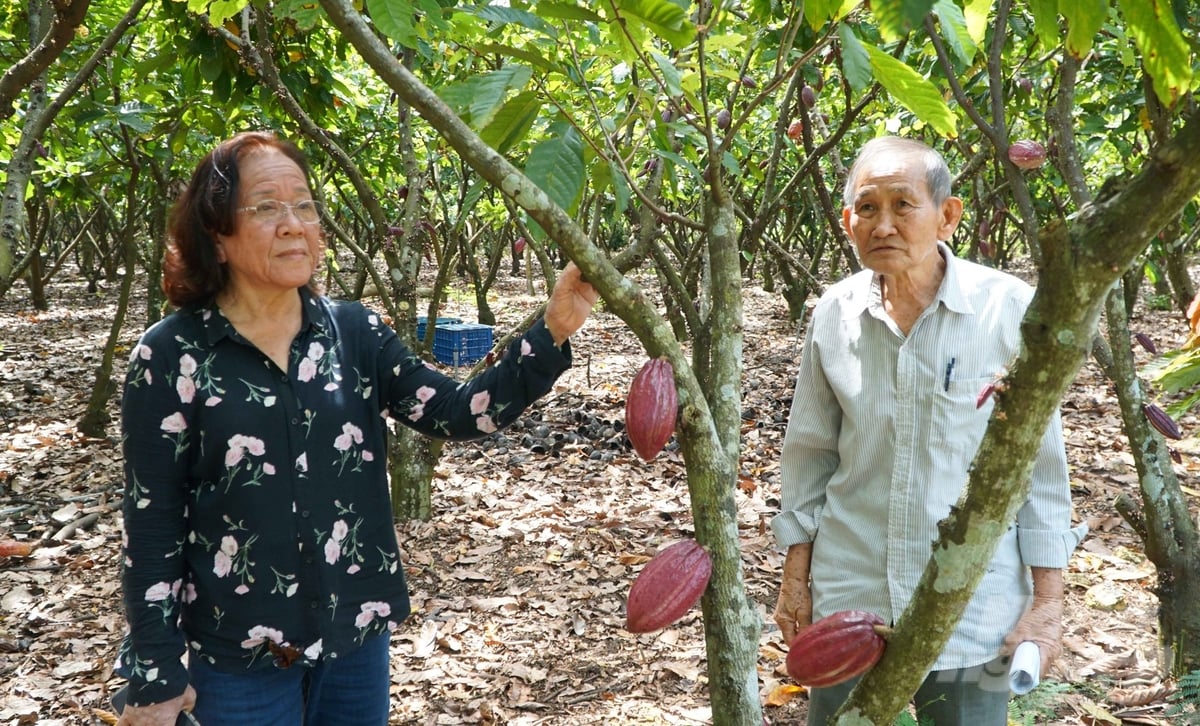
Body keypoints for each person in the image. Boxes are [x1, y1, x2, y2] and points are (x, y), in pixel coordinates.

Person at [115, 130, 598, 725]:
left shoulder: (354, 333)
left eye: (305, 205)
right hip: (236, 653)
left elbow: (457, 410)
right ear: (216, 233)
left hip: (353, 641)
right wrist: (155, 670)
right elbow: (151, 518)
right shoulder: (173, 354)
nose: (293, 223)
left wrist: (552, 328)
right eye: (266, 206)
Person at [771, 136, 1086, 725]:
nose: (883, 224)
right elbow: (810, 455)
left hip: (976, 604)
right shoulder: (834, 314)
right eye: (867, 208)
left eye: (902, 204)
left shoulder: (1009, 309)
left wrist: (1047, 604)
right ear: (847, 222)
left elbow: (1041, 469)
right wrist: (796, 580)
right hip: (851, 593)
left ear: (947, 216)